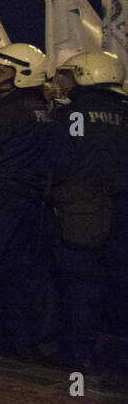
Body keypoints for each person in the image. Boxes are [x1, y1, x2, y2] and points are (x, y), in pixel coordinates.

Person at [0, 42, 54, 359]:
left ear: (22, 75)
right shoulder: (42, 110)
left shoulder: (7, 112)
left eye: (0, 70)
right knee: (18, 273)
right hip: (30, 202)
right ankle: (20, 341)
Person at [48, 51, 128, 366]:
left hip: (83, 211)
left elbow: (60, 162)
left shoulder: (73, 115)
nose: (65, 82)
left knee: (81, 281)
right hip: (123, 206)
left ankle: (79, 350)